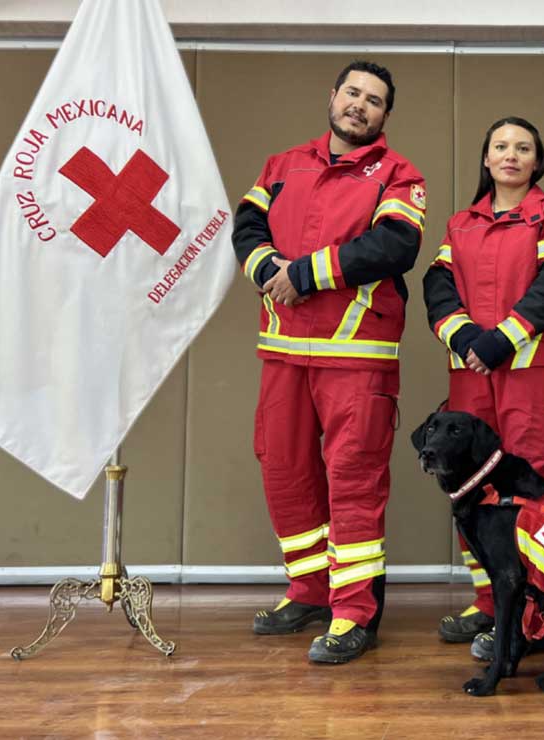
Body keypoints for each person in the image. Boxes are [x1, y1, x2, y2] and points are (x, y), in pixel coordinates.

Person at [231, 60, 426, 664]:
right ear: (333, 97)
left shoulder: (398, 174)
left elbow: (396, 244)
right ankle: (310, 591)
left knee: (353, 481)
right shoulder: (282, 164)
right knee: (284, 470)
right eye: (353, 94)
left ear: (385, 115)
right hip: (283, 349)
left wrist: (304, 274)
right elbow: (246, 225)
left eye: (374, 100)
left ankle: (354, 614)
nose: (359, 106)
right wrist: (268, 270)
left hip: (357, 355)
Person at [423, 117, 544, 651]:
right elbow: (438, 285)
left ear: (537, 162)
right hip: (471, 377)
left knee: (530, 495)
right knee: (471, 489)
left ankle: (534, 618)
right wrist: (466, 334)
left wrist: (504, 339)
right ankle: (492, 602)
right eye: (500, 146)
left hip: (531, 376)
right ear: (486, 159)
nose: (511, 155)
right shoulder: (460, 224)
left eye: (523, 148)